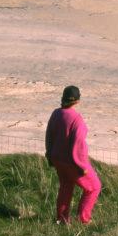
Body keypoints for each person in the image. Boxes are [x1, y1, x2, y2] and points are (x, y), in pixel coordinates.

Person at [45, 85, 101, 224]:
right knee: (94, 187)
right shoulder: (77, 119)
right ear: (77, 101)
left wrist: (50, 155)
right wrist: (81, 165)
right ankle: (83, 220)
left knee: (66, 186)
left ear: (63, 98)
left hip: (57, 159)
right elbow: (78, 143)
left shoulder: (56, 113)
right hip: (72, 162)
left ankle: (62, 220)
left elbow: (49, 135)